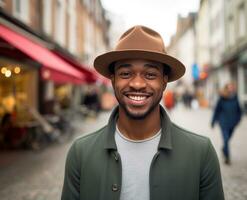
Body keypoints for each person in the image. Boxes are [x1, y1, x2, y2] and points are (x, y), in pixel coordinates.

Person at [61, 25, 224, 200]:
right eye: (125, 73)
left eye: (150, 74)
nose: (137, 84)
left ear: (164, 81)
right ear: (113, 79)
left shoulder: (200, 153)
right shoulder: (81, 153)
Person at [211, 82, 242, 165]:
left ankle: (224, 149)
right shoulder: (222, 98)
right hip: (223, 122)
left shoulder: (235, 97)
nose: (231, 88)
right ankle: (227, 157)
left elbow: (239, 110)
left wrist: (238, 120)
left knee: (228, 139)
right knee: (226, 139)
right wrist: (213, 121)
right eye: (229, 87)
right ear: (226, 88)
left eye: (232, 87)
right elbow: (217, 110)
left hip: (233, 123)